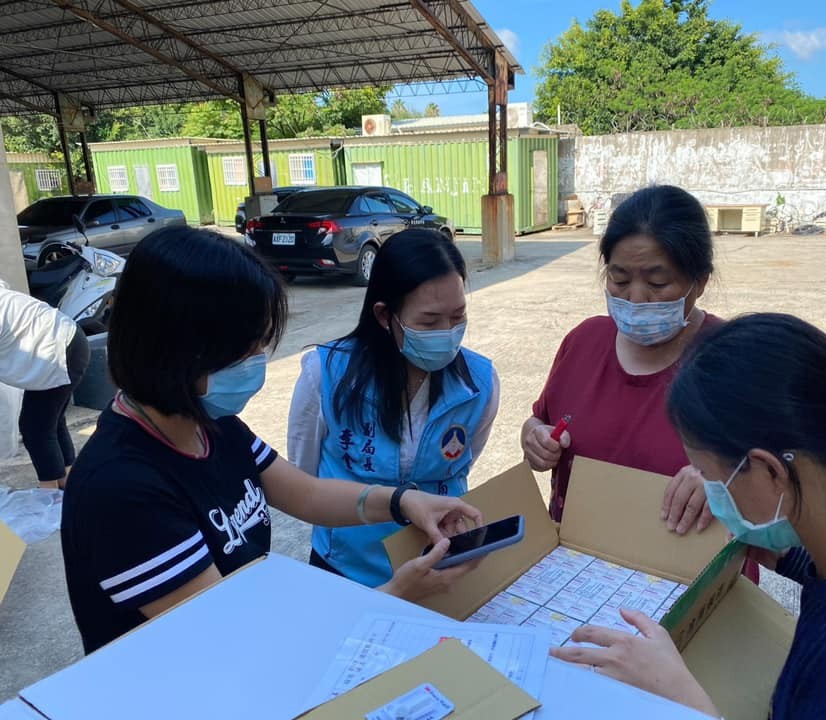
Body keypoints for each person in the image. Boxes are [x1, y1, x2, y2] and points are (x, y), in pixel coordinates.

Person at [61, 228, 484, 655]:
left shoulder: (210, 425)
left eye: (261, 343)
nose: (258, 360)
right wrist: (397, 594)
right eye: (245, 349)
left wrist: (404, 502)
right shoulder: (121, 488)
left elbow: (309, 494)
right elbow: (238, 642)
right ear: (171, 349)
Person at [551, 313, 826, 719]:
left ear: (770, 472)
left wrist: (680, 700)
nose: (707, 490)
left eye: (707, 474)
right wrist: (781, 551)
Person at [288, 228, 499, 588]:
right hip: (345, 569)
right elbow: (304, 475)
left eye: (458, 316)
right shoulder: (325, 374)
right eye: (429, 322)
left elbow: (464, 461)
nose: (446, 333)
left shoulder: (480, 383)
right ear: (385, 315)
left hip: (434, 566)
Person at [522, 185, 725, 536]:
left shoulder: (733, 359)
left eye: (658, 283)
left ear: (700, 282)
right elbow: (541, 420)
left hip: (684, 563)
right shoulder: (583, 342)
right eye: (619, 279)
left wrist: (728, 481)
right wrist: (535, 438)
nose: (636, 298)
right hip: (579, 557)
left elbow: (790, 474)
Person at [0, 279, 90, 489]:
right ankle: (68, 484)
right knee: (50, 422)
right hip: (67, 340)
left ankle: (49, 495)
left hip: (59, 349)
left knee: (35, 428)